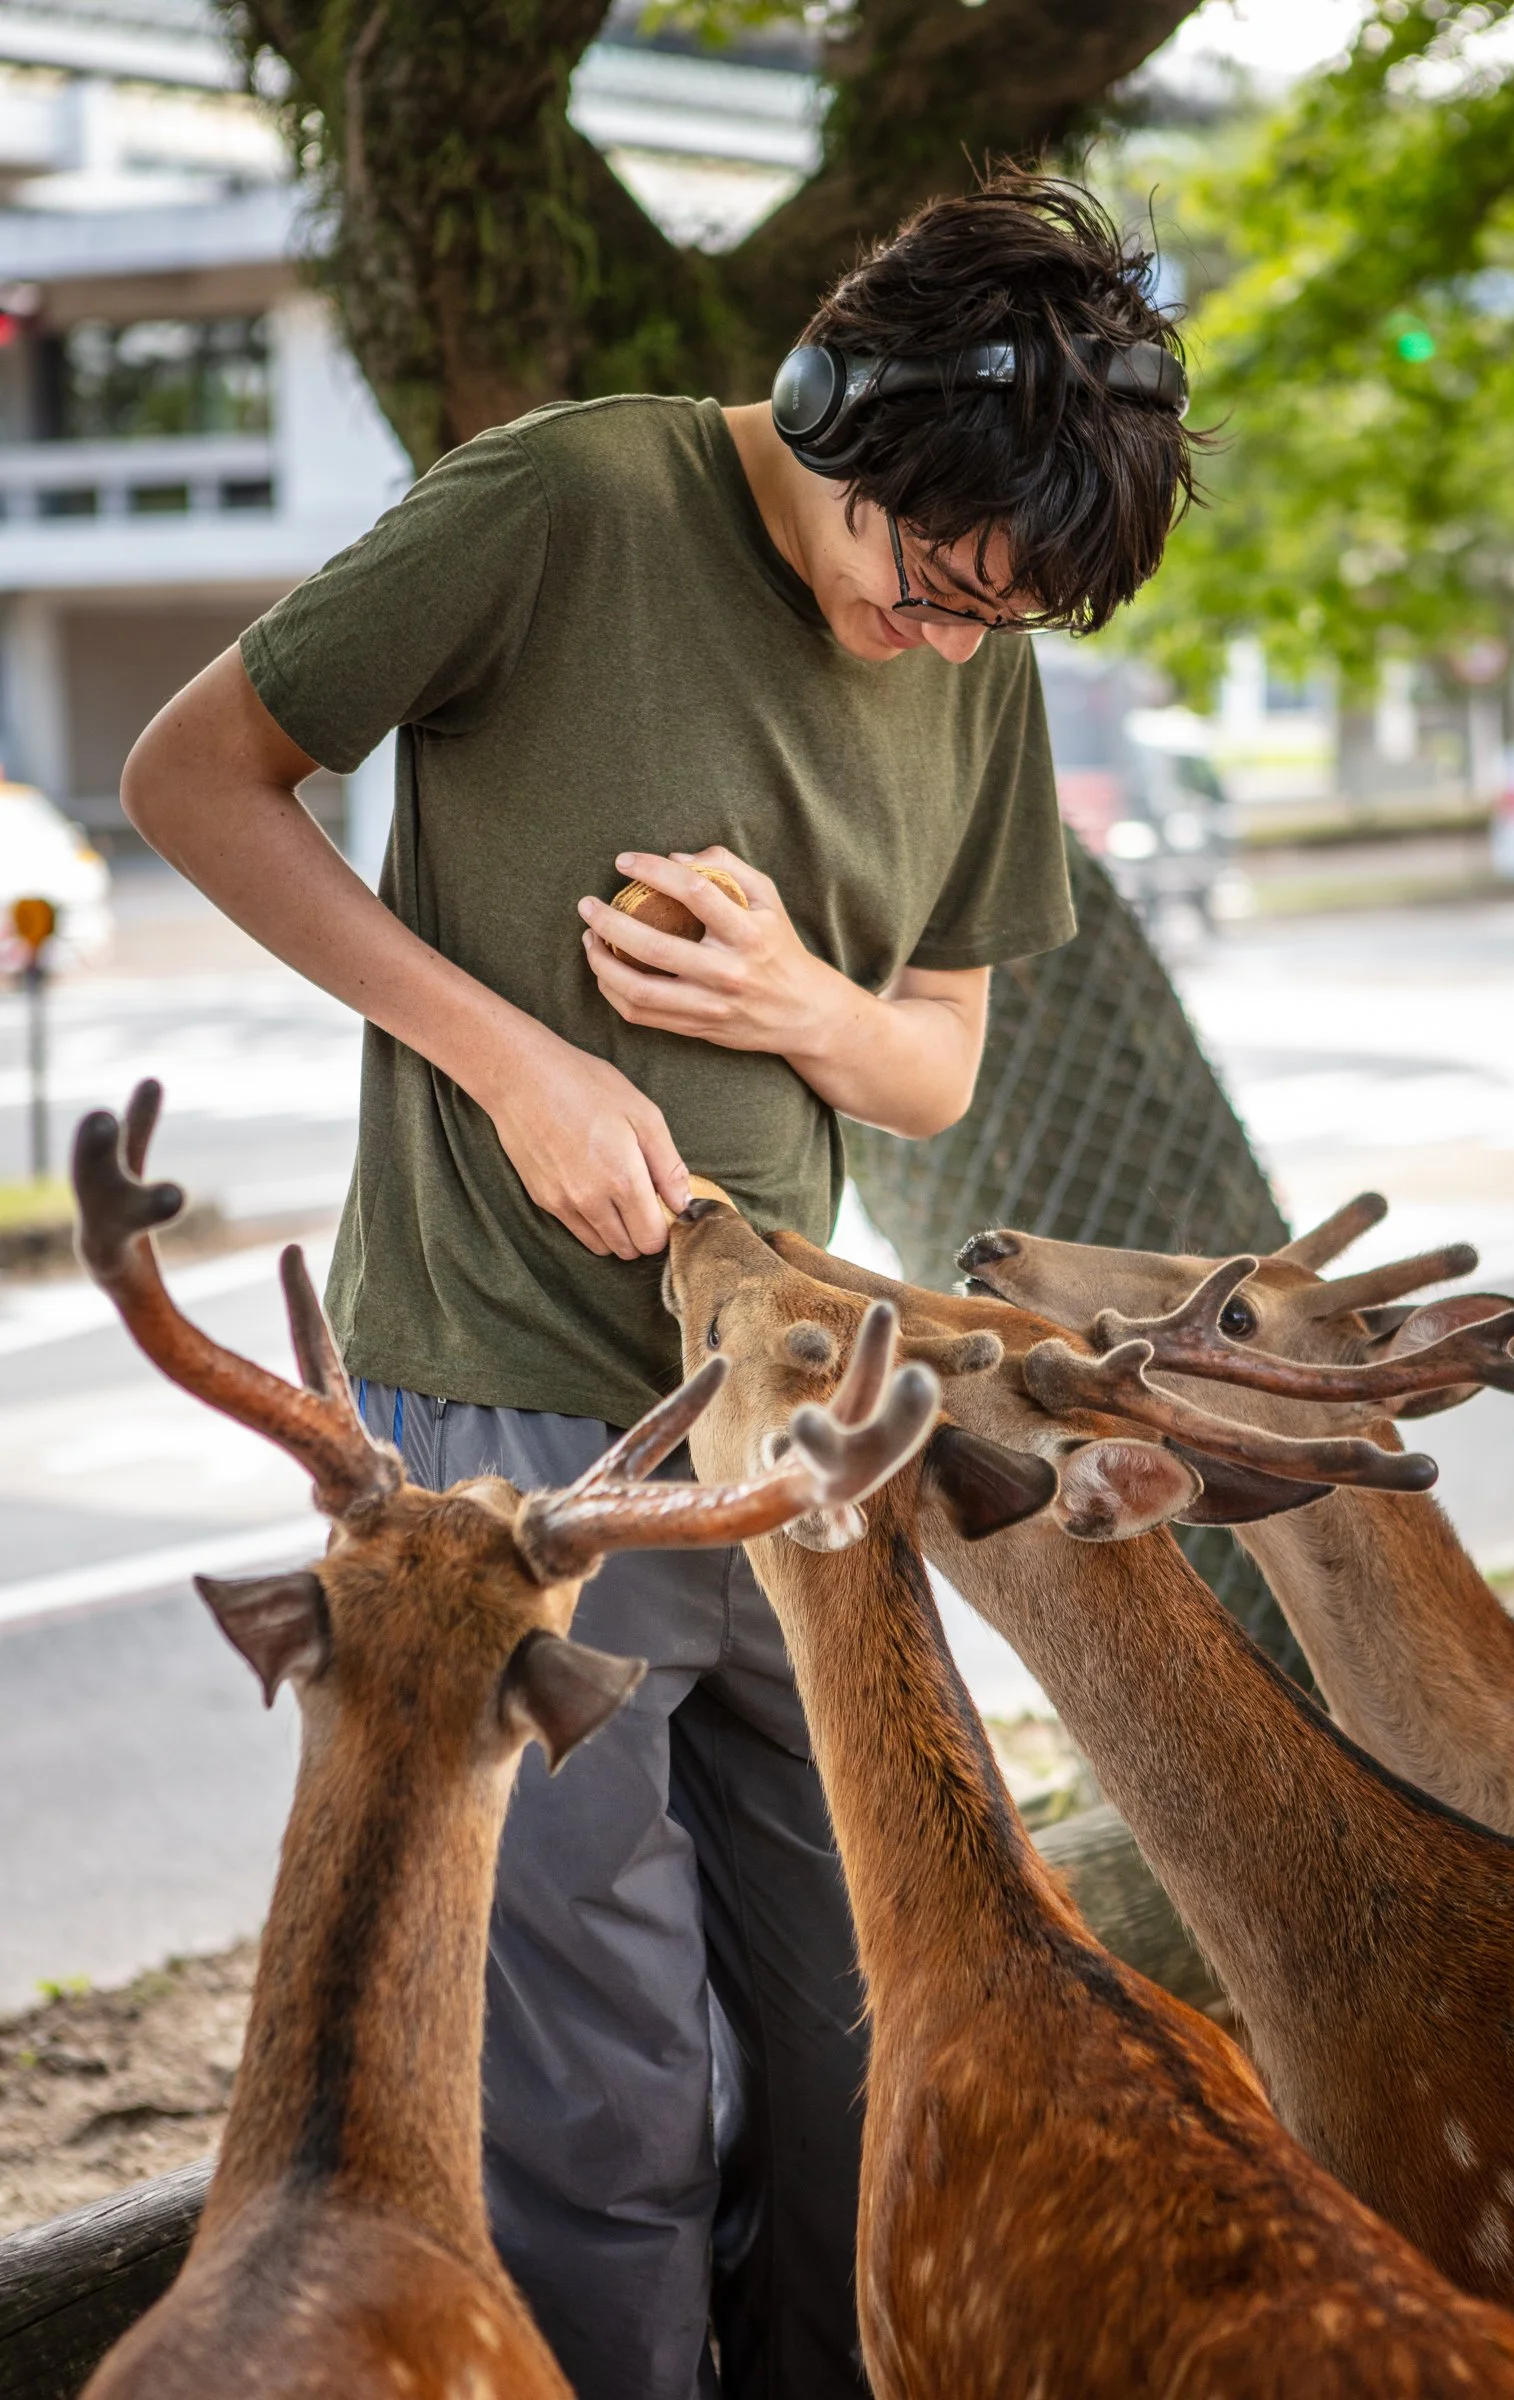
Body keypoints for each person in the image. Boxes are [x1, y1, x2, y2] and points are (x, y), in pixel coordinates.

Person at [122, 175, 1194, 2400]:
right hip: (513, 1443)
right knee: (598, 2116)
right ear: (833, 406)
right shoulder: (561, 500)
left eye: (1004, 620)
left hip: (798, 1432)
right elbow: (191, 776)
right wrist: (504, 1058)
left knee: (867, 2033)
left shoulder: (967, 644)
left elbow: (933, 1067)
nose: (943, 642)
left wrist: (807, 997)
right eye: (925, 576)